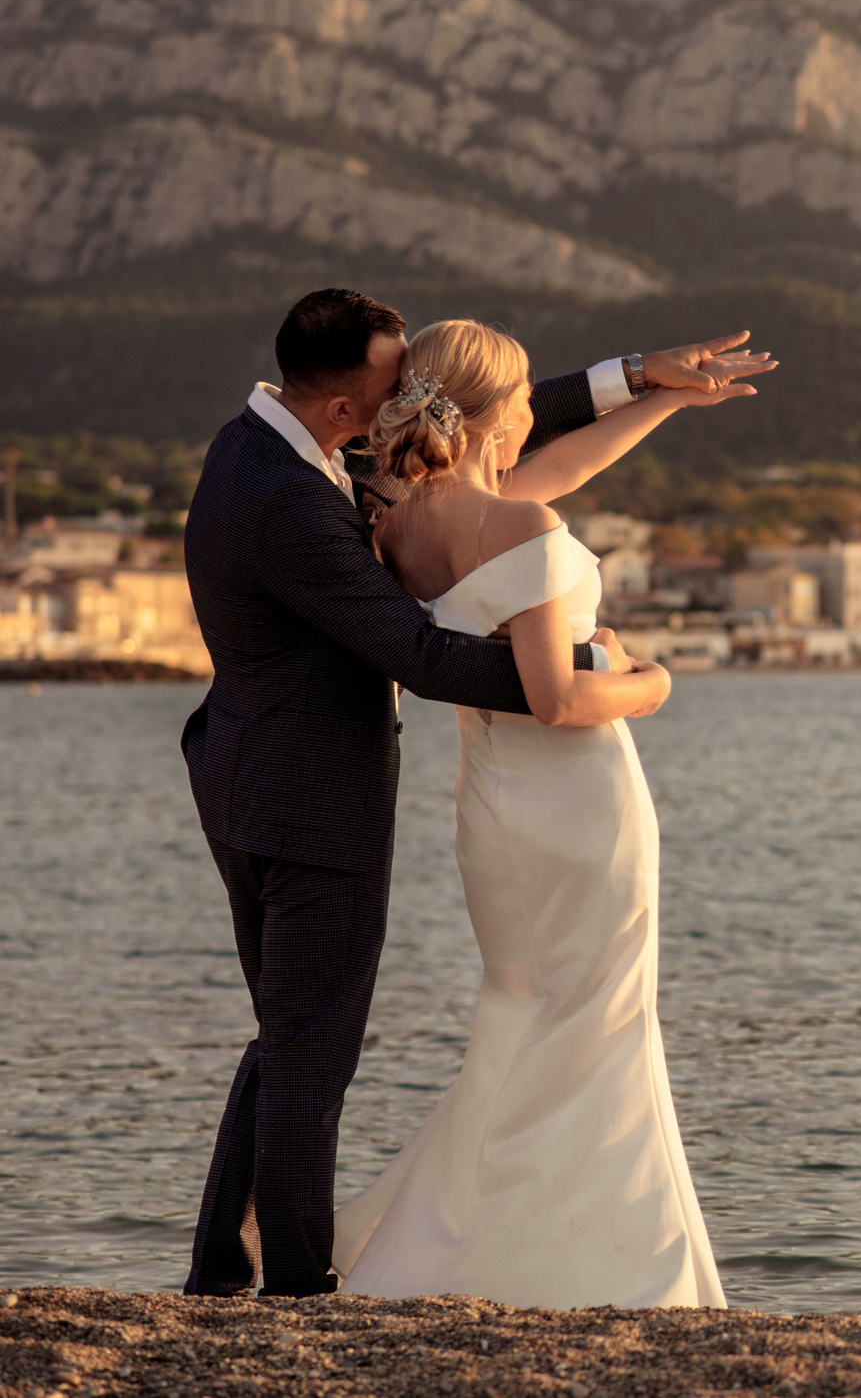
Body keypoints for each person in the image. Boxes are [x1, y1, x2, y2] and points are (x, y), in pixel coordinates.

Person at [180, 288, 775, 1299]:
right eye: (389, 382)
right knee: (316, 1046)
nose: (403, 395)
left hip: (297, 781)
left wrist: (643, 383)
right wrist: (613, 673)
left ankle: (221, 1267)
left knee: (301, 1032)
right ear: (345, 412)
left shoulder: (331, 477)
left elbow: (505, 422)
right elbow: (425, 652)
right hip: (331, 799)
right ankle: (292, 1285)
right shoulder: (300, 501)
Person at [331, 319, 744, 1308]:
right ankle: (612, 1264)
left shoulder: (402, 526)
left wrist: (661, 398)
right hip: (578, 806)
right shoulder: (517, 526)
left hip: (493, 810)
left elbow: (565, 459)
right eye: (520, 399)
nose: (533, 412)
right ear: (488, 414)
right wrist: (651, 683)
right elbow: (557, 695)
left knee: (523, 1010)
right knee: (601, 1017)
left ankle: (454, 1242)